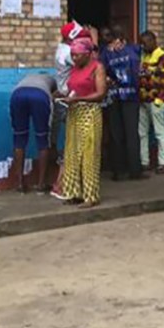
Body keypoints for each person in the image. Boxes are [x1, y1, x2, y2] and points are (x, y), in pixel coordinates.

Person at [59, 37, 108, 208]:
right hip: (74, 112)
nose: (74, 58)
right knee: (72, 154)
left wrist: (79, 98)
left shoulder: (97, 67)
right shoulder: (74, 69)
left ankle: (90, 196)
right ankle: (73, 193)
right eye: (72, 55)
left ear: (88, 54)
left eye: (78, 55)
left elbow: (101, 93)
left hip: (90, 113)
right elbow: (73, 88)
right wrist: (63, 96)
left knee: (89, 155)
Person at [98, 26, 144, 182]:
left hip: (113, 96)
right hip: (131, 95)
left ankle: (118, 170)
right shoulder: (133, 50)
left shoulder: (105, 53)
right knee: (132, 133)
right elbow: (140, 68)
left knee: (116, 133)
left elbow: (101, 72)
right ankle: (135, 171)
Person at [9, 72, 57, 193]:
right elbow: (55, 96)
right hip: (40, 96)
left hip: (17, 95)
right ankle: (41, 184)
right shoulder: (52, 80)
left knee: (19, 139)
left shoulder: (26, 78)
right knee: (42, 139)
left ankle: (19, 183)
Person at [138, 31, 164, 174]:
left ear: (153, 41)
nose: (143, 46)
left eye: (145, 43)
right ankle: (144, 162)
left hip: (156, 99)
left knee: (159, 132)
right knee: (142, 132)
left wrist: (160, 99)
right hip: (143, 99)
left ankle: (162, 162)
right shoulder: (144, 55)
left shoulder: (163, 56)